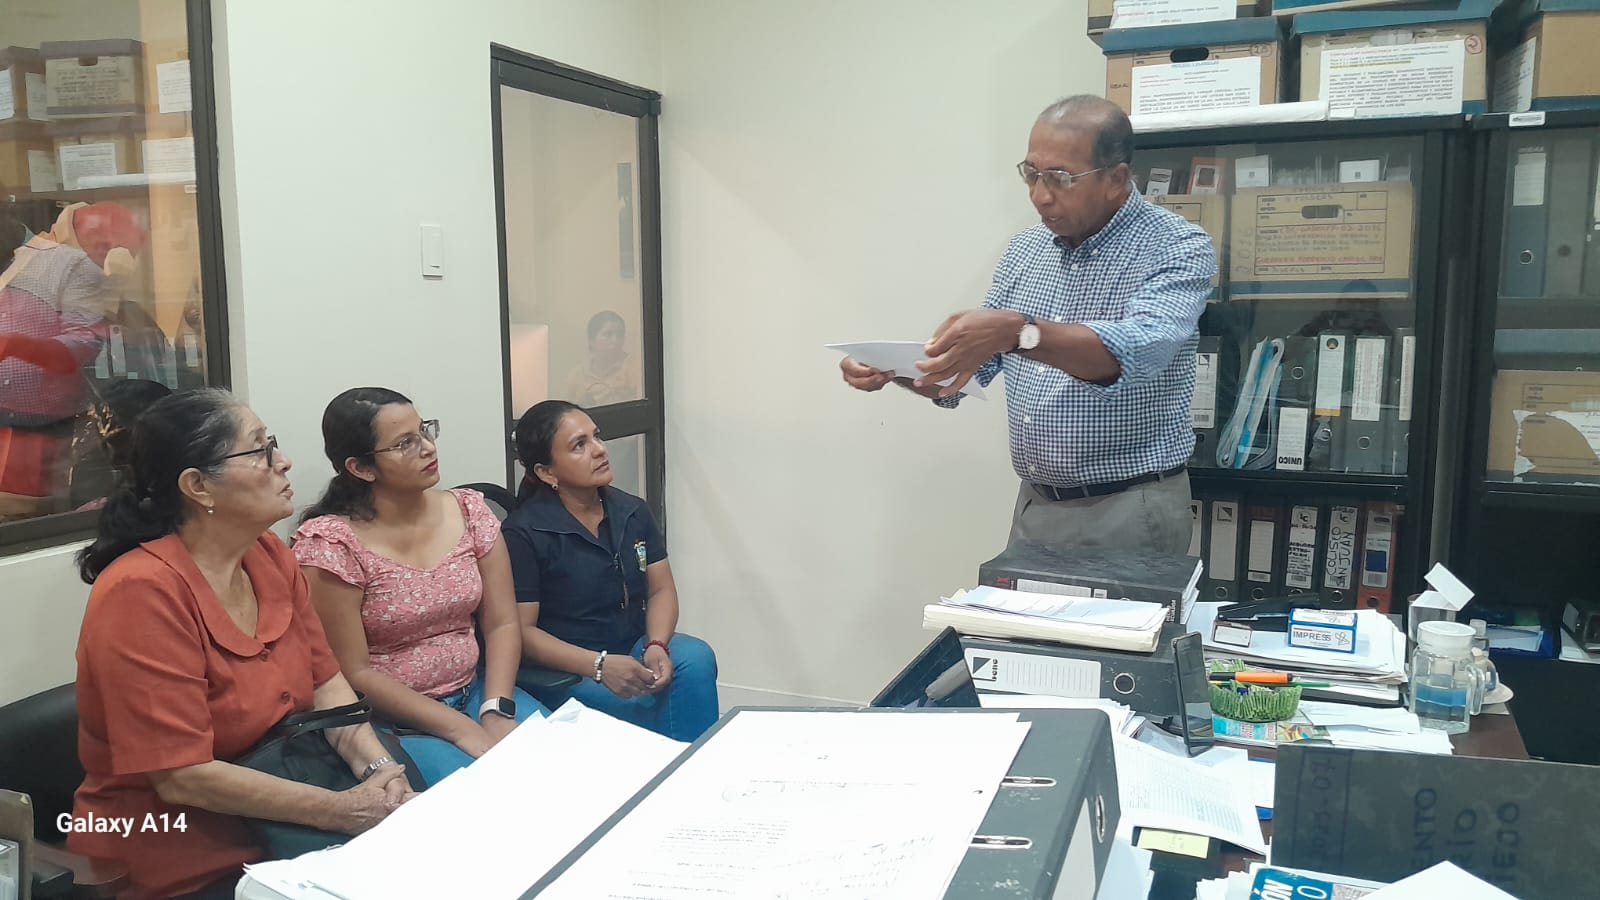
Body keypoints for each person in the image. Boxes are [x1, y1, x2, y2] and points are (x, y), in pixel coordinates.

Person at [70, 389, 412, 900]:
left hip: (296, 823)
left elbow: (327, 684)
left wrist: (380, 774)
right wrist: (344, 810)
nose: (284, 461)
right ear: (197, 486)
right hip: (182, 858)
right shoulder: (140, 592)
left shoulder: (268, 553)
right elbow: (183, 777)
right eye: (261, 449)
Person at [839, 95, 1216, 556]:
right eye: (1031, 174)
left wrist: (1020, 333)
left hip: (1129, 505)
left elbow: (1139, 351)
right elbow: (964, 375)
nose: (1040, 194)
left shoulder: (1176, 245)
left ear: (1115, 180)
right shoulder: (1026, 251)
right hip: (1035, 504)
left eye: (1060, 178)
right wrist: (891, 368)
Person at [293, 387, 545, 787]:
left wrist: (497, 707)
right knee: (488, 793)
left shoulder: (469, 510)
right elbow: (352, 671)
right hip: (398, 722)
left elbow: (501, 622)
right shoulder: (331, 545)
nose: (428, 447)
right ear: (361, 468)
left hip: (481, 691)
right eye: (404, 443)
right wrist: (458, 727)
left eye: (424, 430)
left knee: (557, 770)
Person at [502, 400, 719, 741]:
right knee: (647, 703)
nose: (600, 450)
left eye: (597, 436)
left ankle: (692, 764)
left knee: (695, 658)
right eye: (579, 445)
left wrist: (656, 644)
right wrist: (598, 665)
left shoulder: (631, 511)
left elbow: (660, 589)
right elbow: (522, 633)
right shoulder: (523, 533)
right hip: (569, 668)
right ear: (546, 472)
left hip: (631, 645)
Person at [0, 193, 112, 520]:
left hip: (45, 432)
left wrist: (16, 346)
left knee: (29, 522)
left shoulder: (67, 264)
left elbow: (84, 344)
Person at [563, 310, 642, 407]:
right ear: (591, 340)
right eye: (607, 334)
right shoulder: (576, 376)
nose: (615, 340)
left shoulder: (636, 369)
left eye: (620, 335)